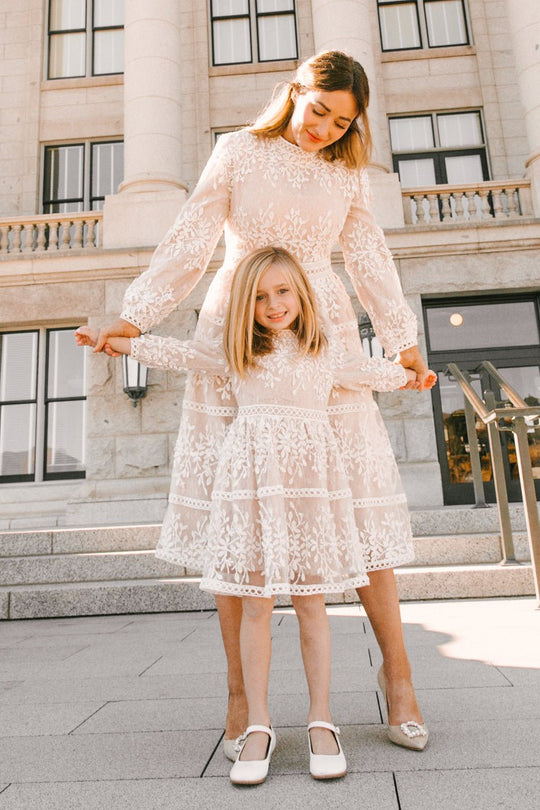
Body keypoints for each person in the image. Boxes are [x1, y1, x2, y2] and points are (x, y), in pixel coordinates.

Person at [88, 50, 436, 756]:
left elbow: (368, 250)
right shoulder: (238, 151)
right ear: (295, 92)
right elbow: (190, 235)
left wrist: (401, 341)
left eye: (343, 122)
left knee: (355, 498)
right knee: (236, 514)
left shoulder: (346, 171)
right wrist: (137, 316)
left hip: (320, 330)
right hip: (241, 323)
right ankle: (241, 695)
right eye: (320, 111)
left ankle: (398, 674)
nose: (326, 130)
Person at [77, 246, 419, 783]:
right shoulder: (237, 351)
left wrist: (410, 375)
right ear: (246, 304)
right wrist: (117, 341)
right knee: (256, 605)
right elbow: (181, 353)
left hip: (309, 486)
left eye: (283, 291)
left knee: (312, 605)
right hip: (252, 485)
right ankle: (259, 723)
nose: (273, 303)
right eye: (260, 296)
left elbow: (367, 371)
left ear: (302, 295)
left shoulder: (323, 350)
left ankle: (320, 721)